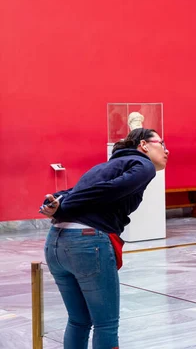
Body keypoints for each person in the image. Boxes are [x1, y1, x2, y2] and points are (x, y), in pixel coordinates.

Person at [39, 128, 169, 348]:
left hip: (56, 243)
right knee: (106, 325)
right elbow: (110, 190)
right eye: (162, 143)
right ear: (144, 145)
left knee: (78, 320)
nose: (167, 150)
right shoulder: (144, 165)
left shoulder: (103, 166)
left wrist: (57, 204)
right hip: (87, 243)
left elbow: (74, 191)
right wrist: (64, 205)